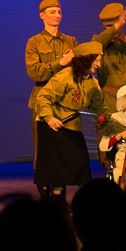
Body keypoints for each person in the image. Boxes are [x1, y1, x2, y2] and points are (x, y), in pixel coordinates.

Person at [34, 41, 107, 199]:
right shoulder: (66, 75)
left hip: (72, 126)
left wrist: (109, 122)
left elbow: (98, 108)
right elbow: (43, 96)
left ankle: (84, 203)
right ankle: (57, 206)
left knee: (82, 168)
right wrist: (49, 117)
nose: (99, 65)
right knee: (58, 173)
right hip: (53, 126)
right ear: (88, 59)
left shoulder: (92, 83)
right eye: (97, 60)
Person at [24, 0, 77, 171]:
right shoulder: (34, 42)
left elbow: (77, 70)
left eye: (59, 12)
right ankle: (44, 188)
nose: (57, 15)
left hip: (66, 101)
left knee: (65, 148)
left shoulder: (70, 41)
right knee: (43, 147)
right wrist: (60, 63)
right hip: (42, 100)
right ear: (42, 15)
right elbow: (34, 72)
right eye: (52, 12)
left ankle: (61, 190)